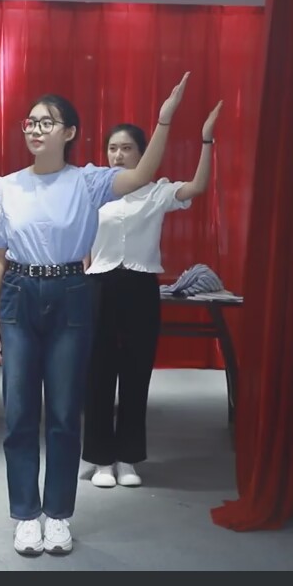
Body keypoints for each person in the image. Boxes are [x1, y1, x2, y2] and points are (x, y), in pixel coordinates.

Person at [0, 73, 190, 557]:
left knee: (62, 411)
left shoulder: (88, 181)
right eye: (30, 122)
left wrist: (163, 120)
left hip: (72, 291)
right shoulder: (5, 187)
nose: (35, 130)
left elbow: (141, 175)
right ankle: (25, 514)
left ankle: (57, 515)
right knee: (18, 412)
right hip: (18, 293)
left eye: (46, 123)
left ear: (69, 132)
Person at [83, 103, 221, 490]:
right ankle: (100, 458)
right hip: (100, 286)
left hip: (140, 287)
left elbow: (197, 187)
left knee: (136, 372)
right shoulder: (95, 189)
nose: (118, 155)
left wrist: (206, 140)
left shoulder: (157, 192)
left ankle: (128, 457)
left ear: (143, 154)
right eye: (112, 148)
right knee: (98, 374)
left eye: (126, 148)